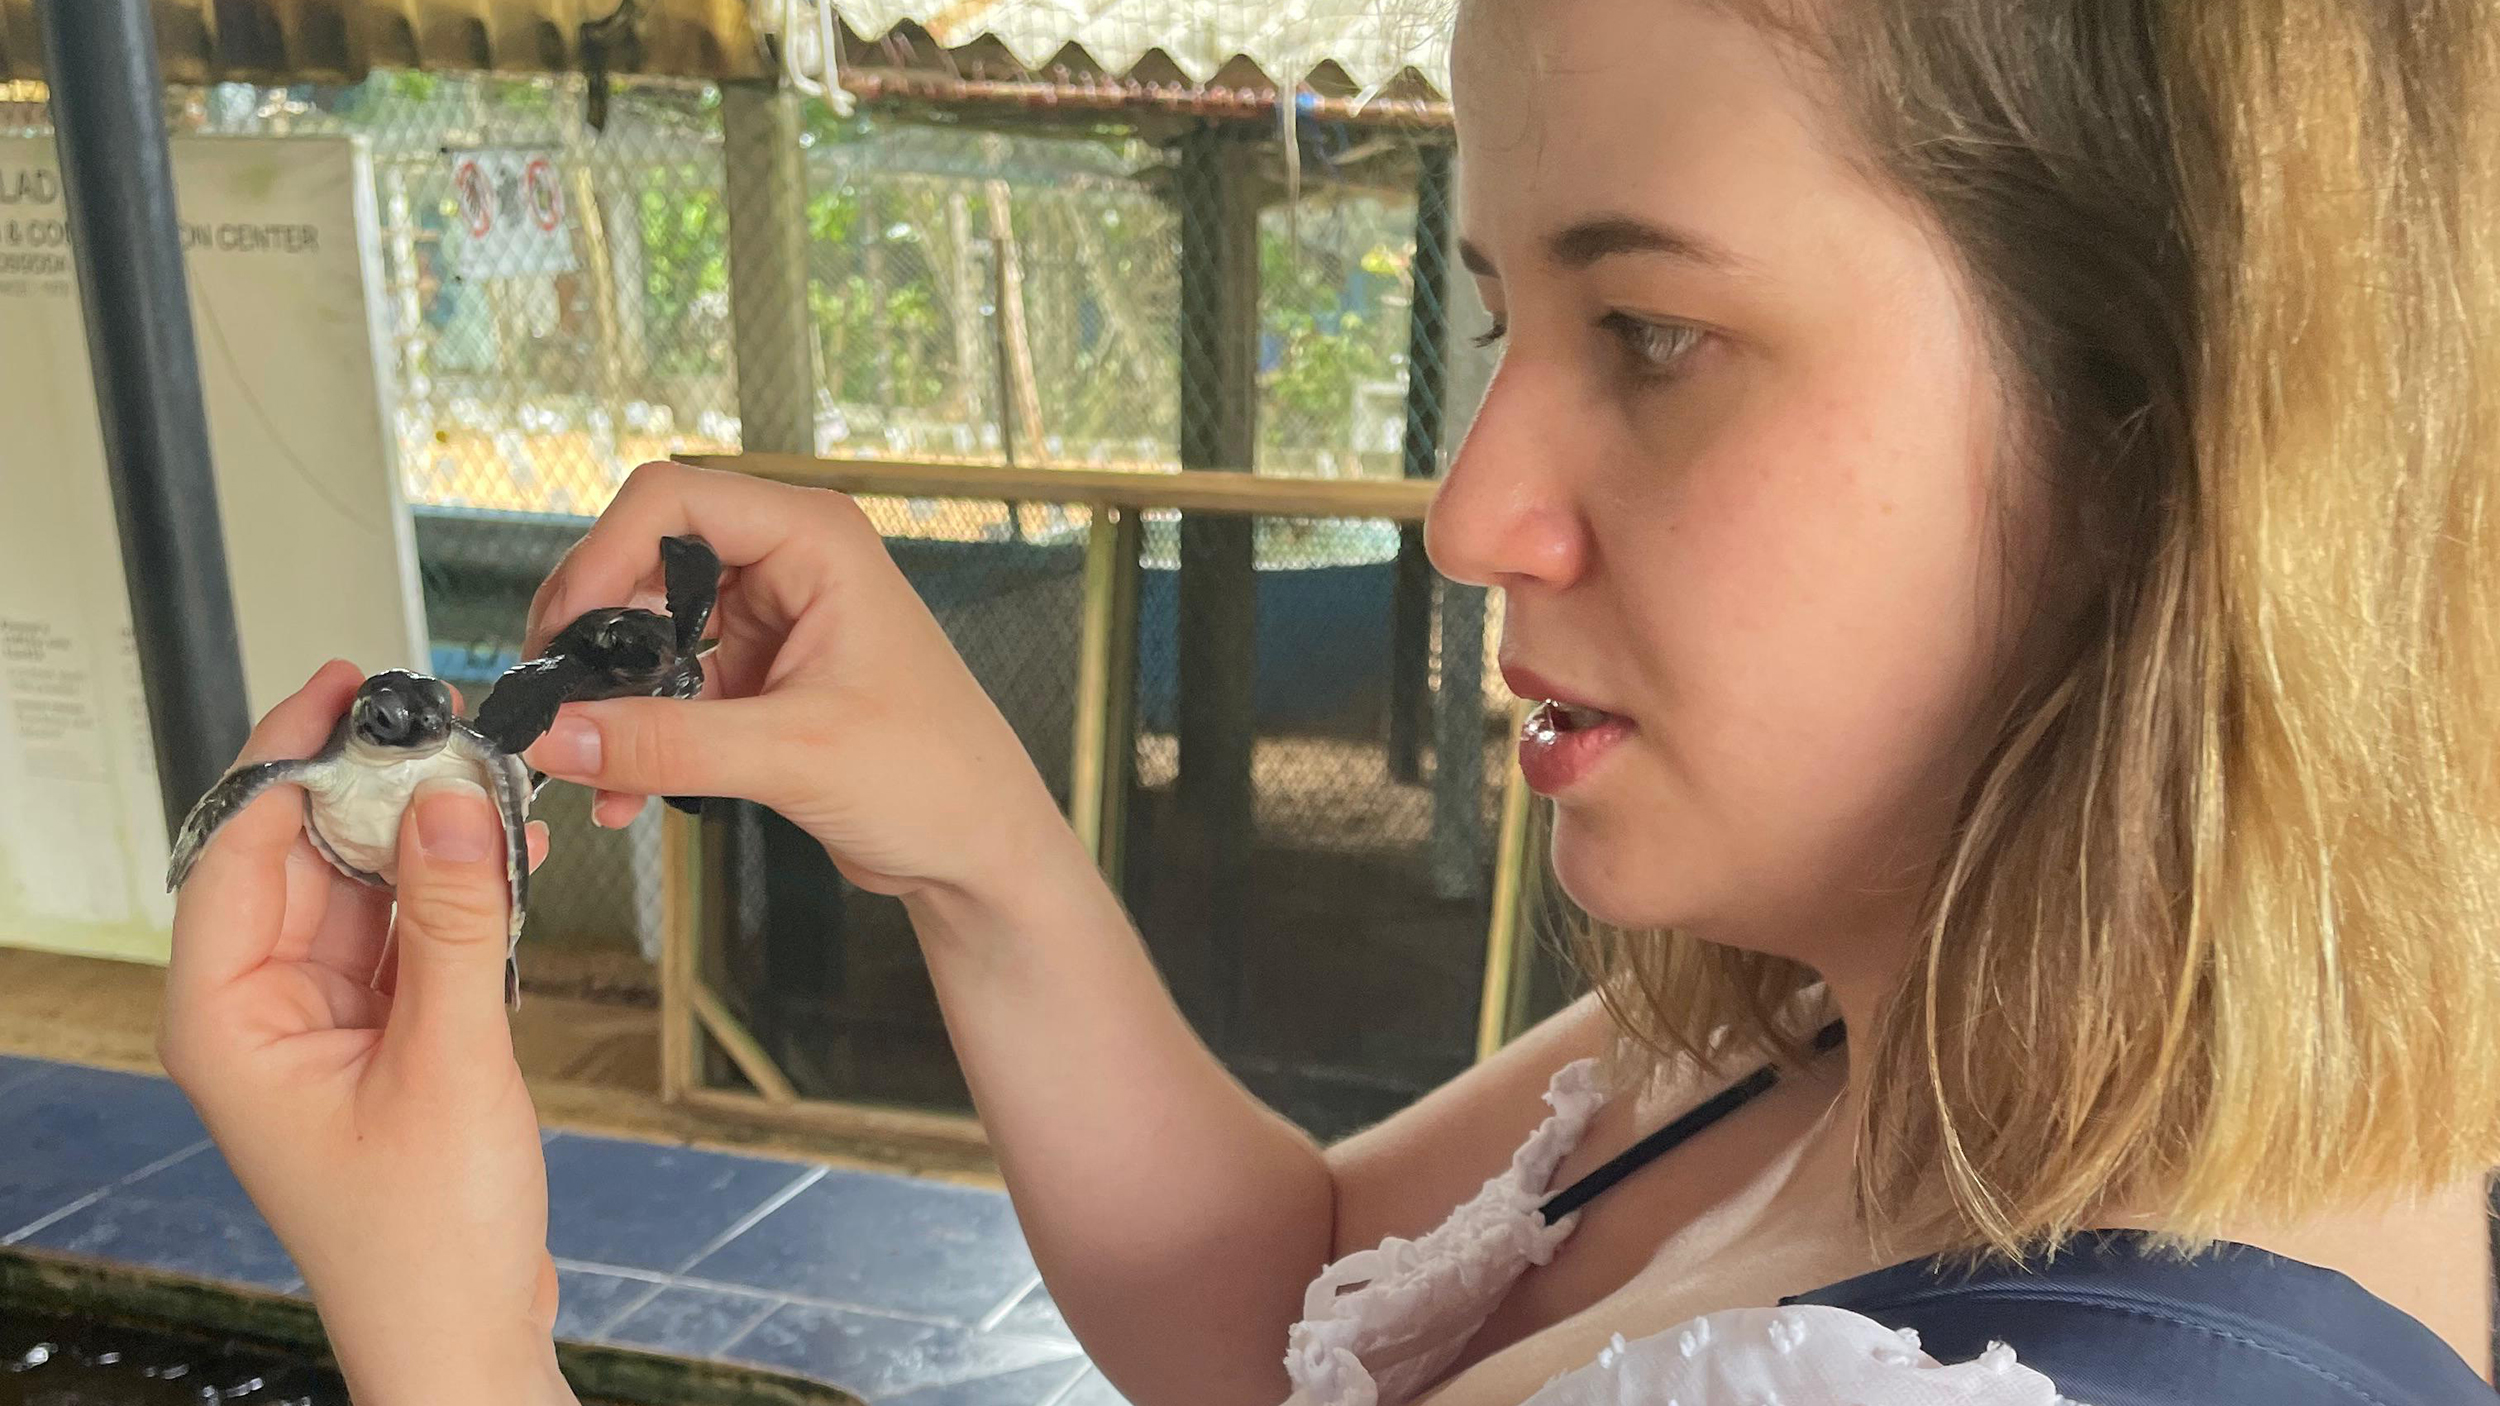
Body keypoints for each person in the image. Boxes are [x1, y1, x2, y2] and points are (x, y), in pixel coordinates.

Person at [153, 0, 2500, 1403]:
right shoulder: (1871, 1005)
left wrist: (451, 1328)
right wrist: (971, 832)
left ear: (2162, 435)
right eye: (1502, 317)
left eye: (1652, 334)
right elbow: (1280, 1305)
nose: (1465, 511)